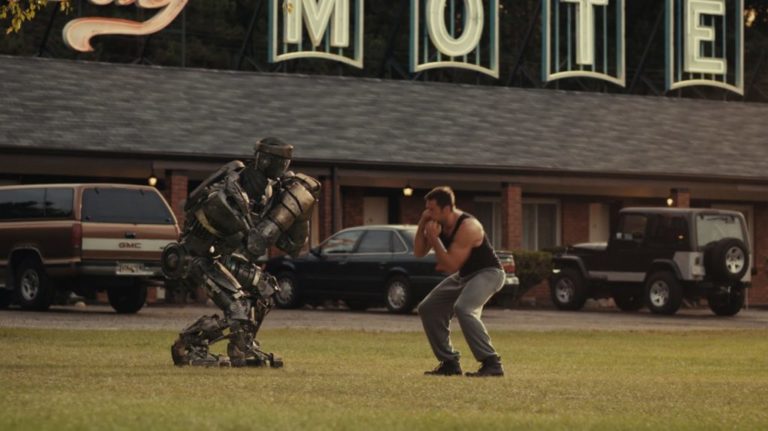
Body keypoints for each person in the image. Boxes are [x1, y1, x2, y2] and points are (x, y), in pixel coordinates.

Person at [414, 186, 505, 377]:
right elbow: (419, 252)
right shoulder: (437, 222)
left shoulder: (468, 227)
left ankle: (492, 363)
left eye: (432, 210)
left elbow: (450, 265)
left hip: (488, 273)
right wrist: (423, 224)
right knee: (428, 307)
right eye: (426, 209)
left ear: (446, 209)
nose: (428, 213)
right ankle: (449, 363)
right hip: (464, 276)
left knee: (464, 308)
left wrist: (434, 239)